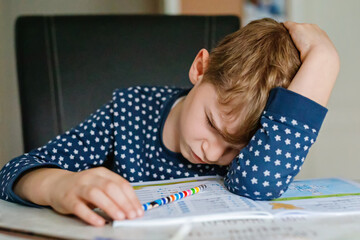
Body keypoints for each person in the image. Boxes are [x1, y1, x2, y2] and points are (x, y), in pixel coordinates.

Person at [0, 18, 339, 227]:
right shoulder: (129, 113)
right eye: (211, 123)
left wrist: (324, 62)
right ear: (200, 68)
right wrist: (59, 186)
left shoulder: (253, 160)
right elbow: (14, 172)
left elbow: (258, 185)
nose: (213, 152)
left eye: (235, 149)